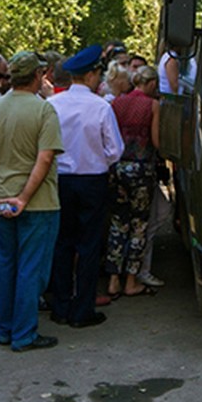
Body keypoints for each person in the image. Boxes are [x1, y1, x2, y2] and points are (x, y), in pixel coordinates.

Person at [0, 51, 64, 352]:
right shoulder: (43, 111)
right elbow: (45, 157)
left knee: (7, 265)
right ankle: (24, 333)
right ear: (37, 75)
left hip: (0, 199)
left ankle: (6, 328)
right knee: (31, 268)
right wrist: (25, 197)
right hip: (37, 203)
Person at [47, 44, 124, 329]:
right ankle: (83, 309)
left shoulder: (53, 105)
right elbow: (115, 149)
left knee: (62, 242)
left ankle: (61, 305)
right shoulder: (101, 107)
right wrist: (96, 158)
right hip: (92, 179)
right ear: (92, 74)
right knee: (89, 244)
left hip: (61, 179)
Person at [106, 64, 162, 298]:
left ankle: (112, 280)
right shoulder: (152, 105)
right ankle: (131, 281)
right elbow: (156, 140)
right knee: (139, 225)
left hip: (117, 167)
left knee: (118, 223)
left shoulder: (116, 103)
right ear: (150, 84)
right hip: (141, 169)